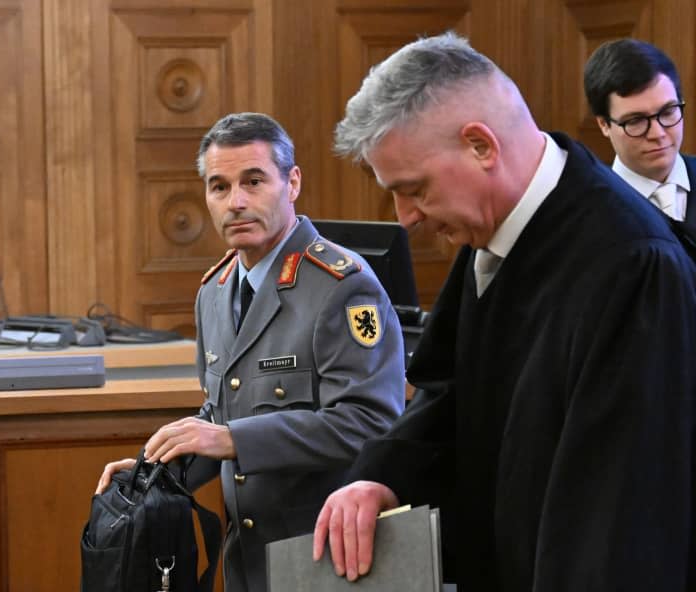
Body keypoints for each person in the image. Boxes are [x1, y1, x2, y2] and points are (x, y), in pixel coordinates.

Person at [312, 32, 696, 591]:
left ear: (481, 146)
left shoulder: (634, 266)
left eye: (414, 189)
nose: (406, 218)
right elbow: (451, 389)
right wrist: (383, 477)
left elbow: (616, 524)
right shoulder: (493, 235)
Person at [96, 112, 406, 592]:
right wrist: (159, 466)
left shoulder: (342, 287)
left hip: (329, 562)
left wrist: (233, 439)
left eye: (254, 181)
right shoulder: (215, 291)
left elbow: (371, 422)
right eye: (219, 187)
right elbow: (221, 411)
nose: (236, 203)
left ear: (292, 182)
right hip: (247, 564)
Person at [584, 38, 696, 228]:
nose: (657, 134)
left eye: (668, 112)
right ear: (604, 124)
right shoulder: (590, 214)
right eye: (636, 120)